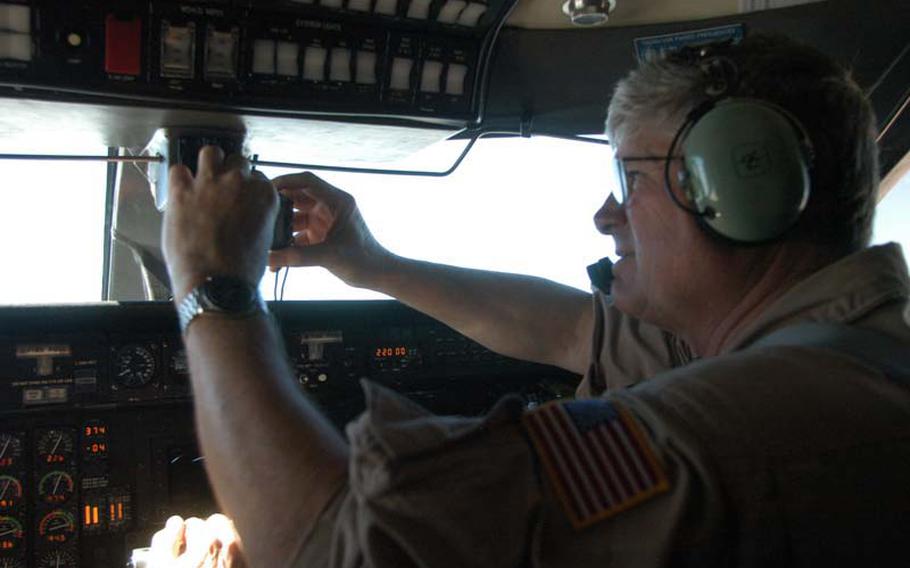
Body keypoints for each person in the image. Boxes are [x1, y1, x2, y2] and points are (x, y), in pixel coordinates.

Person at [152, 33, 910, 567]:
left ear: (740, 188)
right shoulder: (846, 359)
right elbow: (570, 329)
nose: (607, 217)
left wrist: (212, 288)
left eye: (629, 182)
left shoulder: (746, 433)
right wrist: (370, 264)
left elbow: (340, 552)